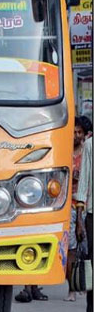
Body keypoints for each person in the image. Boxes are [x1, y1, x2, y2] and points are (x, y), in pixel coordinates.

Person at [67, 117, 88, 301]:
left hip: (86, 206)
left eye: (79, 132)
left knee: (87, 251)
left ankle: (86, 287)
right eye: (73, 132)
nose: (76, 135)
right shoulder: (65, 153)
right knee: (71, 249)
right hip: (68, 206)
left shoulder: (87, 153)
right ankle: (72, 288)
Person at [73, 134, 92, 312]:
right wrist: (79, 219)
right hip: (92, 214)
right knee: (92, 265)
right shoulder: (90, 145)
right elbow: (84, 180)